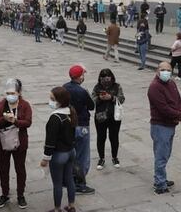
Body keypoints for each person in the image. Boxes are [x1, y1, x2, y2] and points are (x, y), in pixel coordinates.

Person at [0, 79, 32, 209]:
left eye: (13, 93)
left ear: (19, 92)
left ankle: (21, 194)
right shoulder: (1, 104)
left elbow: (28, 122)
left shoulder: (25, 105)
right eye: (8, 93)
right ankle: (4, 194)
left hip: (20, 143)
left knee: (20, 168)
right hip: (3, 142)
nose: (10, 95)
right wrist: (4, 119)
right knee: (3, 169)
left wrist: (15, 121)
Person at [148, 62, 181, 195]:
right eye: (163, 70)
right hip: (160, 125)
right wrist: (178, 114)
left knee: (166, 154)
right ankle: (160, 184)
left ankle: (161, 178)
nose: (166, 72)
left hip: (171, 124)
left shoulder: (171, 83)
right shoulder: (154, 87)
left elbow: (178, 99)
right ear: (157, 71)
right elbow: (163, 108)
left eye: (168, 70)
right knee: (161, 156)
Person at [40, 87, 77, 212]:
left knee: (57, 184)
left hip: (59, 154)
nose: (50, 101)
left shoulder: (55, 118)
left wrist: (45, 158)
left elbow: (50, 142)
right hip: (71, 152)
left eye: (52, 99)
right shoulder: (71, 112)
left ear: (60, 101)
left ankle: (57, 209)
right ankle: (71, 205)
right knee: (70, 179)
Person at [63, 65, 95, 195]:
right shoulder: (82, 91)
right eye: (82, 75)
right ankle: (80, 184)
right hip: (81, 125)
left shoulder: (64, 87)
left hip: (68, 125)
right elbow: (91, 106)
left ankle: (68, 179)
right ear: (80, 77)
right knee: (82, 157)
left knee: (71, 154)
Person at [92, 69, 125, 170]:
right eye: (103, 77)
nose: (106, 79)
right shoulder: (97, 87)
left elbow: (122, 99)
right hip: (100, 116)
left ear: (111, 77)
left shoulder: (117, 86)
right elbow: (92, 101)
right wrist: (99, 98)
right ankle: (101, 158)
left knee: (114, 137)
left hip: (114, 116)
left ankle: (115, 157)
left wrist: (111, 97)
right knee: (101, 137)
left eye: (108, 77)